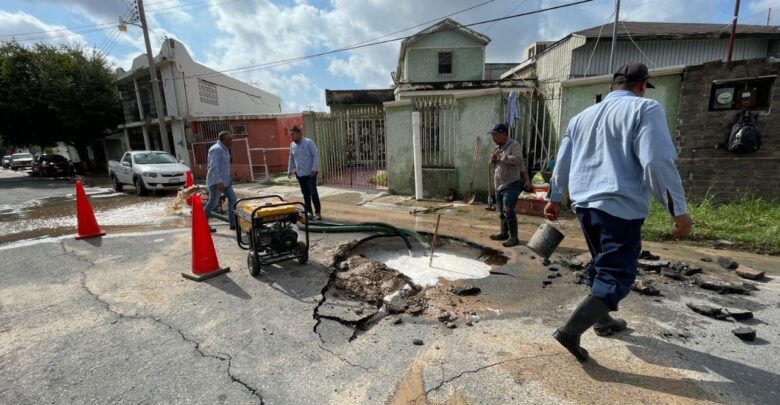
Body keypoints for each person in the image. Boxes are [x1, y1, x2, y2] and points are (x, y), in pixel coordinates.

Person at [545, 62, 694, 362]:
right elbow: (656, 161)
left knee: (602, 263)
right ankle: (570, 331)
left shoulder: (581, 117)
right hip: (619, 207)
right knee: (617, 274)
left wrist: (553, 197)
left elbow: (562, 161)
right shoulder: (645, 109)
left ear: (612, 86)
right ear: (642, 86)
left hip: (585, 207)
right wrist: (677, 209)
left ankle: (602, 319)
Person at [487, 123, 531, 247]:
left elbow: (518, 161)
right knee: (501, 211)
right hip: (499, 185)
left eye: (495, 135)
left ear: (503, 134)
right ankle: (504, 233)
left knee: (508, 210)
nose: (493, 138)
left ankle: (514, 237)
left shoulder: (514, 145)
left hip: (511, 183)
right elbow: (491, 165)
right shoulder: (497, 147)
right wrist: (492, 159)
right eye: (492, 135)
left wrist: (501, 156)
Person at [204, 130, 237, 231]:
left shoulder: (225, 149)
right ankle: (203, 225)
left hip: (226, 182)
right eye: (230, 139)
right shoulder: (216, 149)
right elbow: (214, 167)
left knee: (233, 199)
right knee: (213, 203)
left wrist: (231, 173)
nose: (232, 141)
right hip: (216, 182)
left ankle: (232, 223)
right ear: (223, 140)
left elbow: (224, 165)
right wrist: (219, 181)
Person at [287, 126, 322, 220]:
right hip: (300, 174)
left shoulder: (308, 142)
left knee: (313, 193)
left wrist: (314, 169)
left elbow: (315, 155)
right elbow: (291, 158)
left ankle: (318, 212)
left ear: (299, 134)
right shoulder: (292, 145)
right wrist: (289, 170)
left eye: (293, 135)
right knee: (305, 195)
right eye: (291, 135)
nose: (292, 137)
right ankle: (309, 213)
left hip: (310, 174)